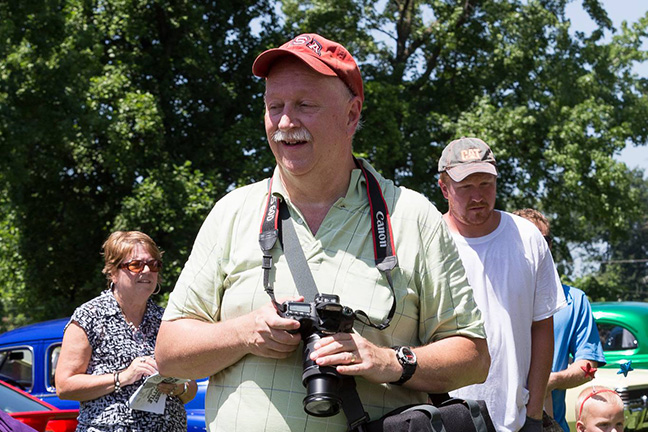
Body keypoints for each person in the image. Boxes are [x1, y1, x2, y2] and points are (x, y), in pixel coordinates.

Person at [155, 33, 490, 432]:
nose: (284, 122)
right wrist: (244, 332)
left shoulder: (412, 217)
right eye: (274, 106)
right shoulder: (233, 212)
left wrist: (387, 362)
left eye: (305, 106)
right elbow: (170, 353)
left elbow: (473, 356)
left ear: (351, 115)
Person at [438, 137, 566, 432]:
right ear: (444, 188)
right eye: (466, 187)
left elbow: (542, 327)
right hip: (444, 418)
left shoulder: (528, 238)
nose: (478, 196)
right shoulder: (427, 240)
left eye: (486, 184)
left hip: (515, 418)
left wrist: (534, 413)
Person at [55, 231, 198, 432]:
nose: (147, 270)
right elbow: (64, 386)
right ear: (112, 271)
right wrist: (123, 377)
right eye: (136, 265)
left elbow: (191, 386)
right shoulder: (89, 317)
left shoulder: (167, 319)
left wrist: (177, 388)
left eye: (154, 264)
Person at [514, 208, 606, 432]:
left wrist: (550, 381)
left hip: (551, 426)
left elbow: (588, 364)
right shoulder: (492, 296)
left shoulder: (574, 300)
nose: (537, 246)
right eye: (527, 239)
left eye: (543, 240)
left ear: (551, 245)